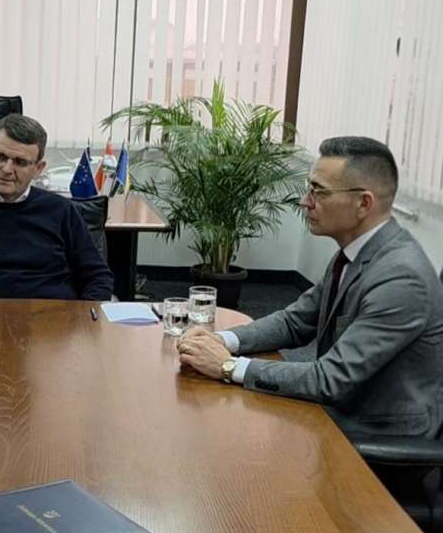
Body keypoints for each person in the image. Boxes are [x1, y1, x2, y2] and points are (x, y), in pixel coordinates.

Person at [177, 136, 443, 439]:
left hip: (378, 436)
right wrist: (221, 340)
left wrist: (227, 365)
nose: (306, 201)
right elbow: (294, 322)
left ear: (363, 203)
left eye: (319, 191)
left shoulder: (401, 278)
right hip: (340, 409)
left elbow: (330, 378)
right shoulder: (355, 253)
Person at [0, 114, 114, 300]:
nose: (7, 169)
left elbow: (98, 277)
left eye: (20, 162)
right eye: (0, 157)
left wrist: (81, 316)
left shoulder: (62, 210)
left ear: (38, 169)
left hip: (52, 314)